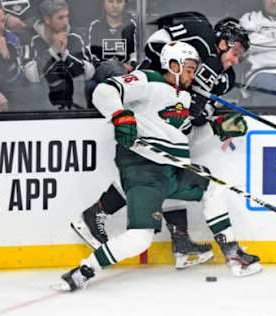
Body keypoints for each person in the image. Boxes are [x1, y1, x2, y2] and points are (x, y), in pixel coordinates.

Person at [70, 14, 260, 275]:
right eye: (236, 50)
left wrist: (214, 124)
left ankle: (180, 242)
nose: (236, 59)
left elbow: (190, 122)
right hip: (151, 99)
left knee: (172, 164)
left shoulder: (219, 79)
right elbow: (154, 45)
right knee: (150, 167)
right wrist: (172, 72)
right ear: (223, 41)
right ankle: (99, 215)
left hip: (172, 115)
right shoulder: (198, 38)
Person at [55, 41, 206, 291]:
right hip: (143, 165)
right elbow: (105, 91)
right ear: (173, 65)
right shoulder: (148, 79)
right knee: (140, 237)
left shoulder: (183, 96)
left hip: (164, 168)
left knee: (202, 185)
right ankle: (84, 269)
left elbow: (179, 133)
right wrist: (119, 115)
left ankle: (187, 244)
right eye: (189, 68)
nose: (193, 75)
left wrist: (214, 125)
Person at [23, 0, 94, 109]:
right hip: (42, 103)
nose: (66, 22)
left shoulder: (75, 36)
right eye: (60, 18)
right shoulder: (31, 38)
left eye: (67, 16)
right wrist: (54, 51)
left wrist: (64, 54)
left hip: (76, 101)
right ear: (47, 19)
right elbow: (32, 77)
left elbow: (89, 72)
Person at [85, 0, 137, 107]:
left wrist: (131, 65)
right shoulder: (95, 25)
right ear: (103, 3)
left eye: (119, 2)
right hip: (101, 70)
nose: (115, 5)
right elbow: (91, 55)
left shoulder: (131, 25)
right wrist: (117, 64)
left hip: (126, 71)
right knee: (112, 68)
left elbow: (135, 53)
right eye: (110, 1)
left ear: (125, 4)